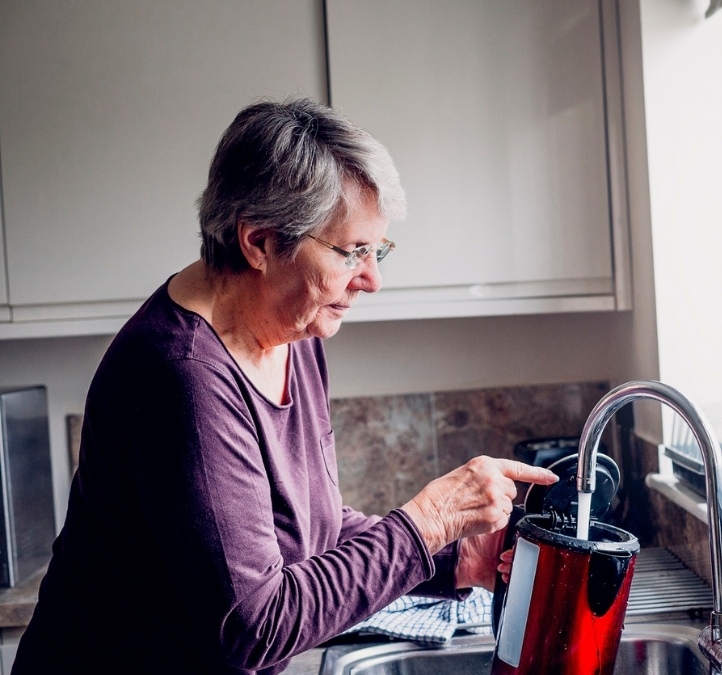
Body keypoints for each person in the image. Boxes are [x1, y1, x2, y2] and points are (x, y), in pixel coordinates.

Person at [11, 98, 557, 675]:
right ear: (261, 242)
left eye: (378, 249)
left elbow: (309, 528)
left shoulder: (293, 333)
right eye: (352, 252)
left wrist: (453, 555)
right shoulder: (184, 379)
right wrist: (428, 522)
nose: (373, 279)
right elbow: (257, 625)